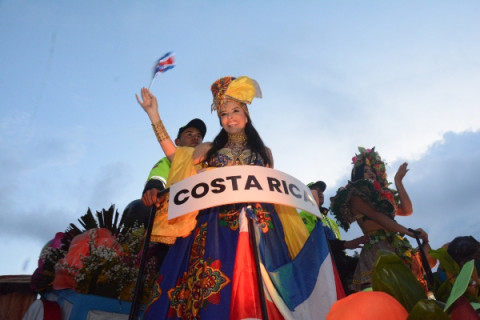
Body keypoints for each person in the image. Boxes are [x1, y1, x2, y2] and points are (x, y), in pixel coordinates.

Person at [136, 76, 338, 319]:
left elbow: (272, 189)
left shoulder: (265, 153)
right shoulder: (209, 148)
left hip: (260, 226)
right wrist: (154, 116)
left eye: (235, 110)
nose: (229, 117)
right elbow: (175, 158)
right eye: (223, 114)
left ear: (246, 113)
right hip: (215, 224)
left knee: (262, 287)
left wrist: (306, 195)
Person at [330, 147, 430, 292]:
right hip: (377, 249)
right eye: (365, 170)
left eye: (371, 169)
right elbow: (378, 217)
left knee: (412, 289)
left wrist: (398, 181)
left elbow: (407, 210)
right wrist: (408, 232)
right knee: (387, 291)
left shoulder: (383, 196)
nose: (370, 172)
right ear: (358, 175)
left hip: (397, 244)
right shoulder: (354, 195)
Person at [300, 180, 367, 294]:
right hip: (321, 266)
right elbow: (313, 243)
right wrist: (346, 244)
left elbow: (337, 245)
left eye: (321, 191)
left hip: (339, 261)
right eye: (315, 191)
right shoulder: (303, 215)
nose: (320, 193)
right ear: (306, 196)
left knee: (367, 265)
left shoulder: (331, 221)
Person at [141, 118, 206, 193]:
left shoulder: (208, 161)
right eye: (189, 134)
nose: (195, 138)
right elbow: (158, 177)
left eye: (199, 136)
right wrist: (154, 186)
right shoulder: (168, 160)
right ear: (177, 142)